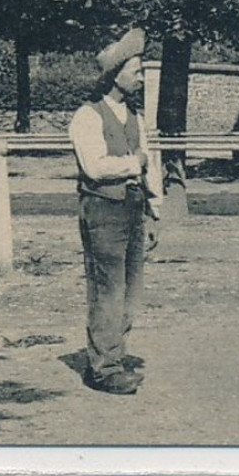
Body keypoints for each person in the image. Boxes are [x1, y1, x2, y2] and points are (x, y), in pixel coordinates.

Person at [68, 28, 160, 396]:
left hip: (134, 209)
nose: (141, 77)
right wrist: (133, 163)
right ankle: (103, 368)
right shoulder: (87, 116)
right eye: (136, 70)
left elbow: (150, 164)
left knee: (130, 292)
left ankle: (114, 357)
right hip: (103, 210)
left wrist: (154, 210)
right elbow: (94, 167)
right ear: (116, 73)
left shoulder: (136, 117)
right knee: (107, 290)